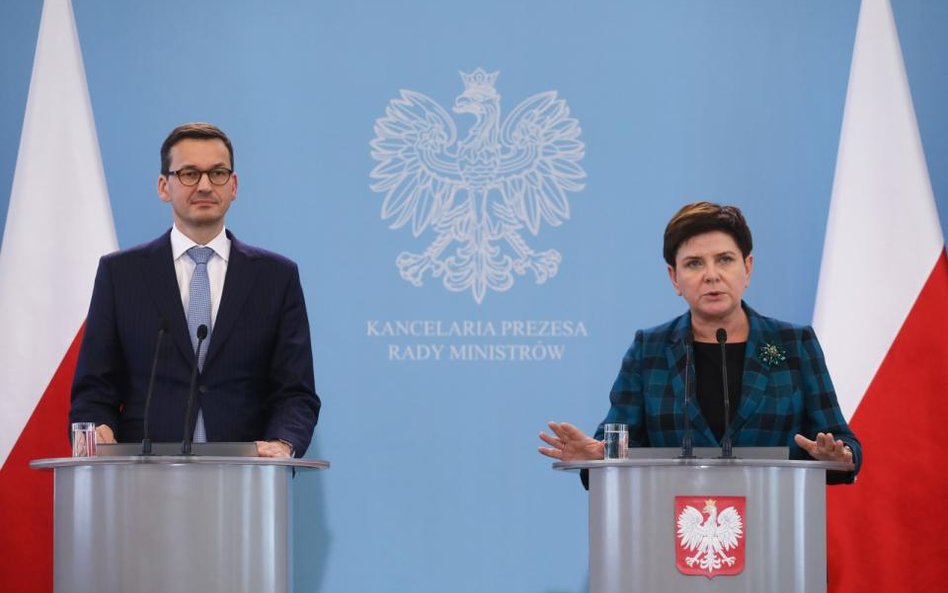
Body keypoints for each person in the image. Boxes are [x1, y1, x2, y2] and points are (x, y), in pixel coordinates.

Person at [538, 202, 860, 484]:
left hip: (772, 532)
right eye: (694, 263)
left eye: (724, 260)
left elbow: (843, 440)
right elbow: (617, 440)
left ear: (747, 268)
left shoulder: (794, 344)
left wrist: (838, 454)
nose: (711, 275)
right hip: (670, 535)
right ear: (674, 278)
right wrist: (598, 454)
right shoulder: (650, 350)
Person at [69, 122, 319, 458]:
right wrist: (98, 430)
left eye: (217, 173)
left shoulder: (276, 277)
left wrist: (283, 443)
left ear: (234, 186)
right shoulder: (121, 274)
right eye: (189, 174)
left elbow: (296, 392)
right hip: (144, 478)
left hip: (246, 480)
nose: (204, 185)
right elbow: (94, 388)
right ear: (163, 186)